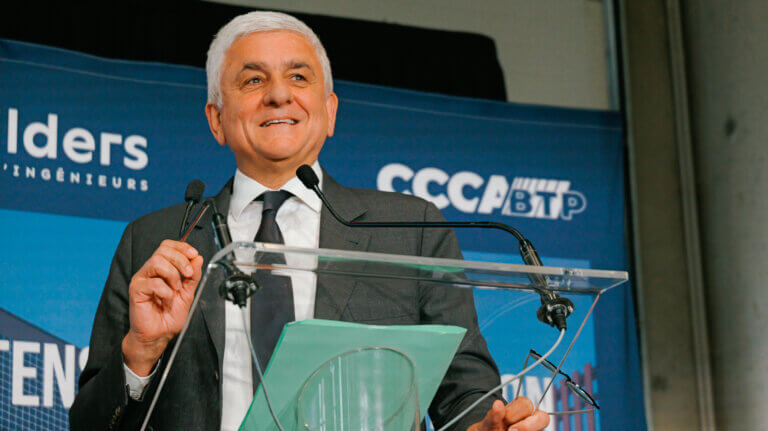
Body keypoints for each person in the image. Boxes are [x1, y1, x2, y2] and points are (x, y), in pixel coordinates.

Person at [70, 11, 550, 431]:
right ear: (216, 119)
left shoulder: (411, 230)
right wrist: (140, 351)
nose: (279, 95)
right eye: (253, 81)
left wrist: (485, 425)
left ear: (330, 111)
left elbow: (466, 392)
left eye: (299, 77)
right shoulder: (156, 240)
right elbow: (89, 422)